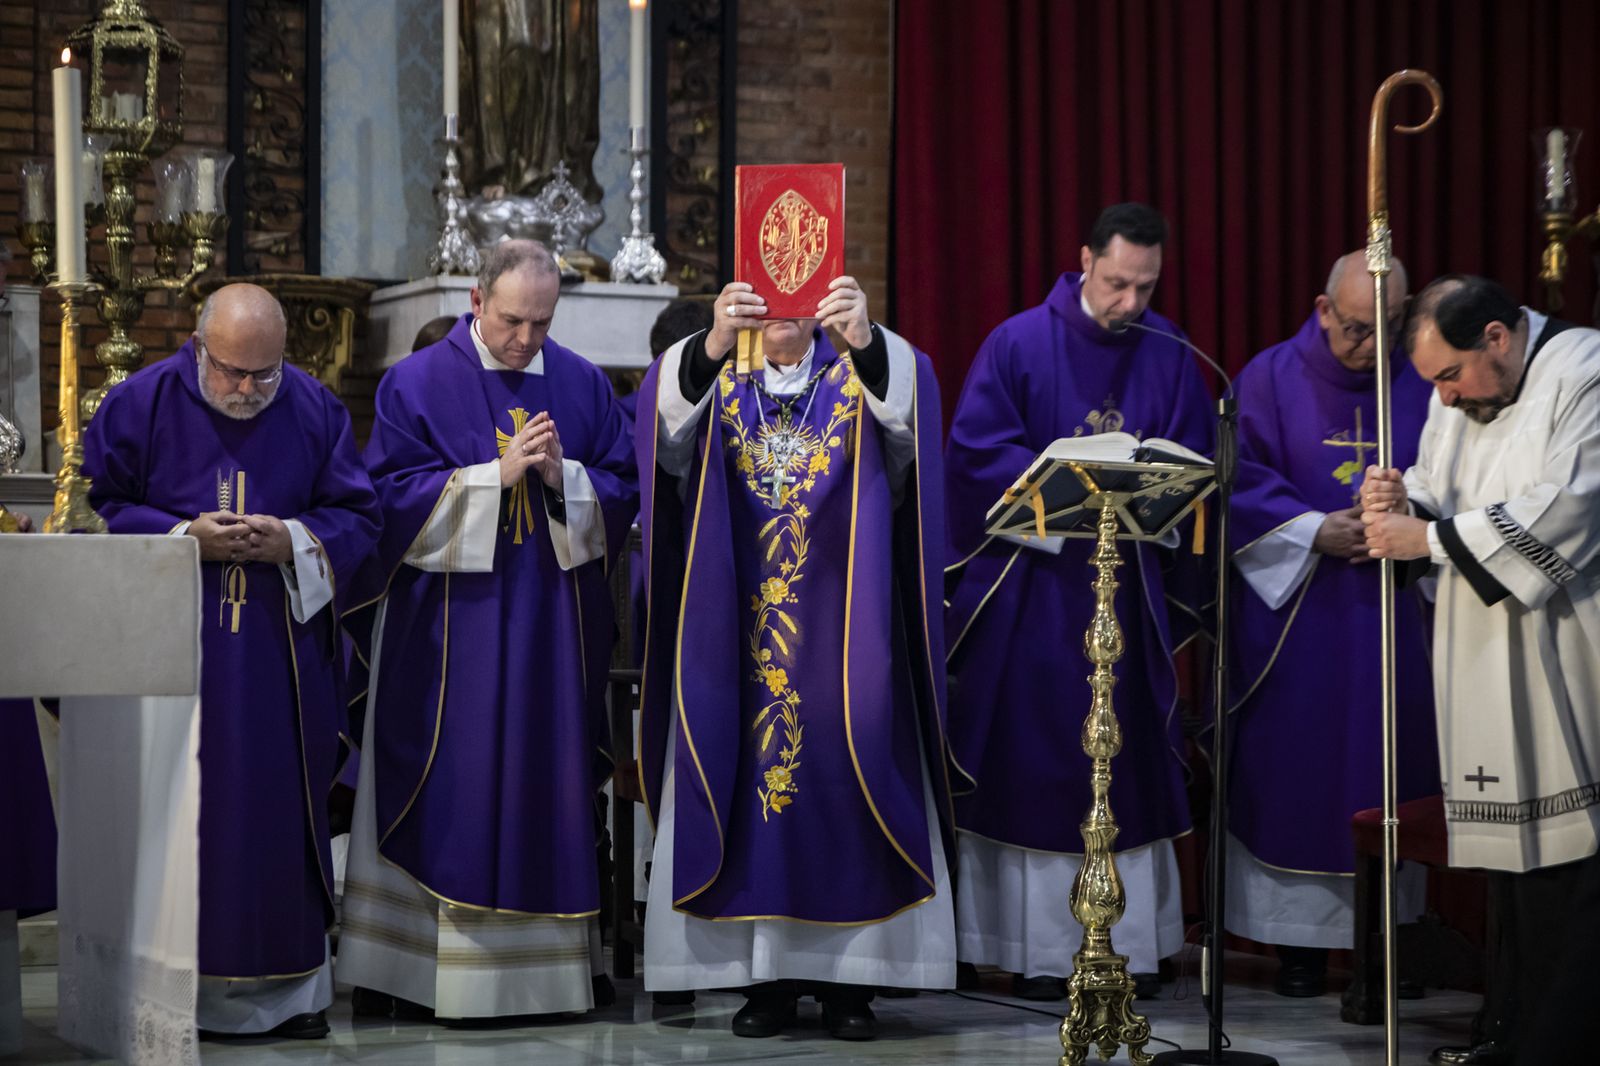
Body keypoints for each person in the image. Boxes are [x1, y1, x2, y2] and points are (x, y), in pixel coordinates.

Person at [635, 273, 959, 1041]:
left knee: (852, 771)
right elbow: (664, 447)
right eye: (765, 297)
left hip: (850, 628)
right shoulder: (715, 371)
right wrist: (712, 342)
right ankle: (767, 980)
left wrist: (869, 339)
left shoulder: (867, 365)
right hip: (736, 628)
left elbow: (913, 438)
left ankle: (853, 986)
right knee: (747, 783)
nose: (782, 313)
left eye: (798, 295)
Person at [336, 239, 638, 1022]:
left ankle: (547, 979)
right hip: (449, 640)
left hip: (547, 635)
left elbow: (622, 488)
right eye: (512, 320)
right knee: (449, 778)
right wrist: (490, 480)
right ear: (477, 300)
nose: (527, 339)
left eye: (542, 321)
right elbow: (386, 499)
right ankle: (420, 974)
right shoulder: (416, 383)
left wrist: (561, 478)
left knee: (549, 780)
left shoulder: (580, 384)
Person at [81, 283, 382, 1039]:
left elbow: (358, 515)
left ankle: (290, 998)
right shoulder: (140, 403)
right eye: (231, 372)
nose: (249, 390)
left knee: (278, 813)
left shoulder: (313, 408)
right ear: (197, 345)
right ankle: (165, 996)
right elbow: (94, 508)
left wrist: (293, 541)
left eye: (265, 374)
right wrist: (184, 535)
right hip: (168, 661)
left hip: (281, 665)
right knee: (178, 815)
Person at [943, 203, 1212, 1000]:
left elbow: (1194, 466)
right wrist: (1064, 481)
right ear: (1085, 260)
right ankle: (1033, 950)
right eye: (1119, 282)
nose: (1132, 303)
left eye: (1147, 286)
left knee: (1123, 765)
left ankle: (1128, 944)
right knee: (1038, 758)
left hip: (1127, 589)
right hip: (1035, 594)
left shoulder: (1168, 353)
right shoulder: (1019, 342)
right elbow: (974, 454)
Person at [1362, 275, 1600, 1066]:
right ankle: (1511, 1028)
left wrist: (1425, 540)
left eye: (1450, 376)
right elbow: (1439, 486)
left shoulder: (1585, 371)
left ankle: (1557, 1041)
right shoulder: (1457, 391)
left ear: (1497, 338)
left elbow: (1568, 508)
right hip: (1478, 647)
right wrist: (1400, 502)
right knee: (1512, 862)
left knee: (1569, 864)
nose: (1447, 397)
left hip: (1563, 647)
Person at [1224, 252, 1437, 996]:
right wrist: (1312, 529)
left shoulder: (1426, 382)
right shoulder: (1267, 378)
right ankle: (1300, 950)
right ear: (1321, 309)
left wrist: (1415, 520)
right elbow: (1237, 483)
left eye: (1389, 328)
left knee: (1392, 762)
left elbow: (1458, 481)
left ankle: (1388, 941)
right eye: (1354, 328)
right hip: (1302, 618)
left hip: (1392, 613)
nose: (1372, 347)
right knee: (1299, 763)